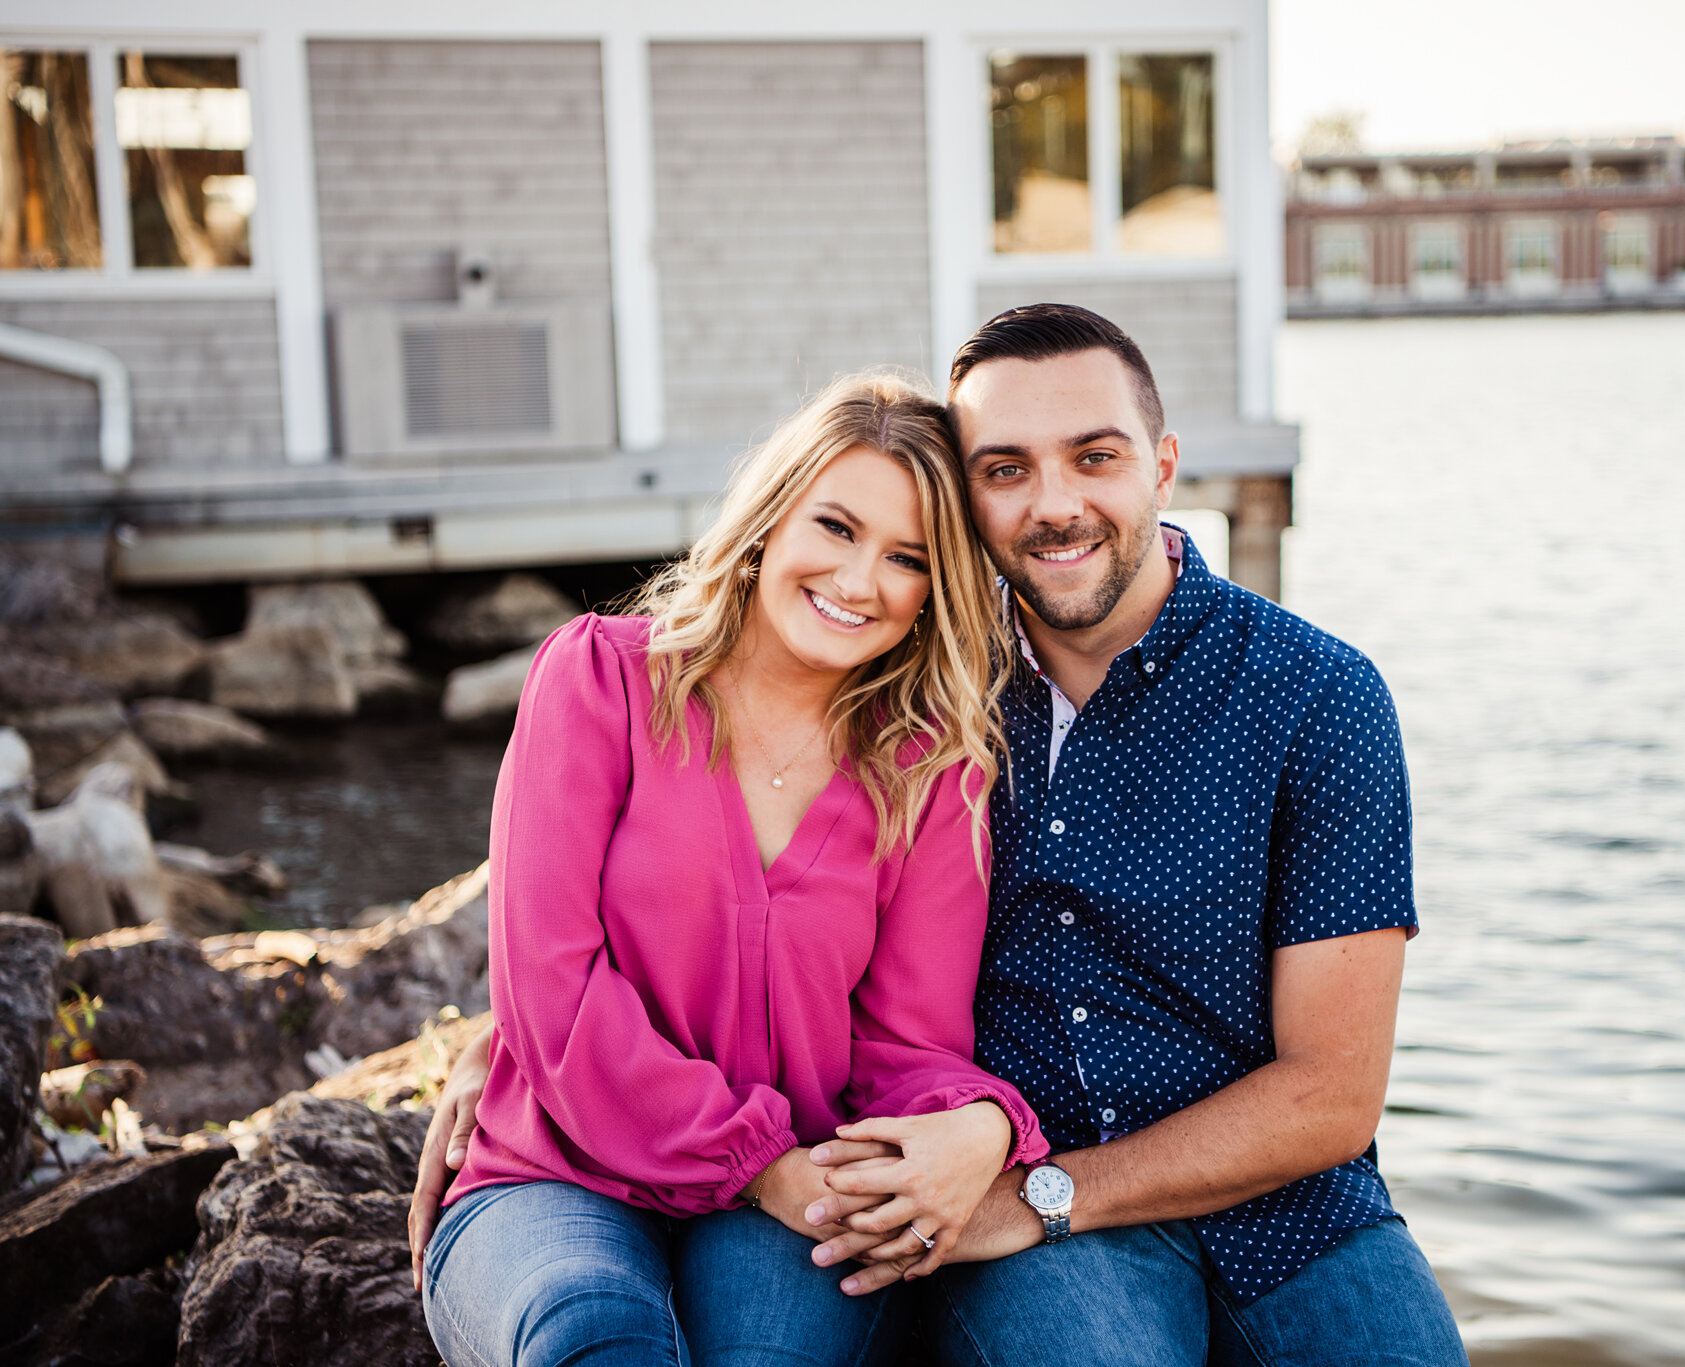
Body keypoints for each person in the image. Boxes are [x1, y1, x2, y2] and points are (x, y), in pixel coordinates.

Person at [416, 308, 1469, 1366]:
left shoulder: (1312, 696)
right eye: (1005, 468)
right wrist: (508, 1033)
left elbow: (1330, 1089)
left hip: (1260, 1204)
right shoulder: (937, 693)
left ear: (1161, 464)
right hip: (1016, 1205)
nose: (1054, 504)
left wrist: (1022, 1172)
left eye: (1094, 458)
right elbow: (594, 932)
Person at [413, 371, 1048, 1367]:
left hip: (798, 1186)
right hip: (556, 1170)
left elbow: (903, 1041)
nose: (857, 579)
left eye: (906, 558)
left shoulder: (929, 767)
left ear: (935, 590)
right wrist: (757, 1161)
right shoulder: (600, 679)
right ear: (768, 516)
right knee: (597, 1336)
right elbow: (552, 990)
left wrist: (976, 1125)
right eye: (834, 526)